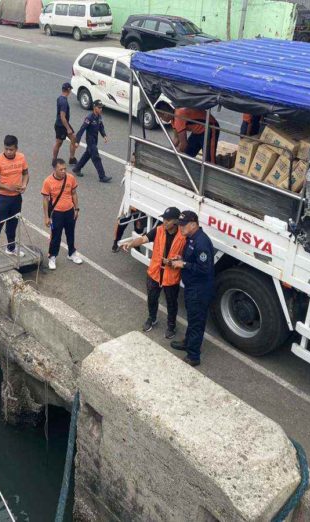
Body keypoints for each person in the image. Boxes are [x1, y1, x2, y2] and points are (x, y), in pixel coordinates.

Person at [122, 207, 185, 339]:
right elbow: (143, 239)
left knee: (171, 303)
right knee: (152, 298)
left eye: (168, 220)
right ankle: (152, 318)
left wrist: (178, 261)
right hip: (155, 272)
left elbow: (187, 257)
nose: (164, 222)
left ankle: (171, 326)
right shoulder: (159, 230)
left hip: (170, 276)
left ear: (176, 222)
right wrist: (131, 244)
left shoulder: (183, 236)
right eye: (164, 219)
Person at [167, 211, 215, 367]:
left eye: (183, 224)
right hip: (192, 287)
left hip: (199, 289)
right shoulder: (191, 238)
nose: (180, 227)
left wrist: (184, 265)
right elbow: (191, 259)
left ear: (193, 224)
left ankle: (193, 356)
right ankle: (188, 343)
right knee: (192, 317)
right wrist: (181, 259)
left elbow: (204, 269)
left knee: (196, 321)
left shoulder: (201, 242)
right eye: (179, 224)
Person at [0, 135, 29, 264]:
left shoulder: (21, 157)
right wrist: (8, 187)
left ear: (16, 148)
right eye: (6, 149)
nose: (8, 152)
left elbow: (25, 174)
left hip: (16, 198)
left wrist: (24, 185)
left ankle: (11, 248)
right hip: (2, 198)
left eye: (11, 149)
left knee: (13, 225)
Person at [42, 159, 83, 270]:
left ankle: (72, 253)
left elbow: (74, 193)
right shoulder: (48, 182)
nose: (64, 171)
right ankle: (52, 256)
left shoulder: (70, 178)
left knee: (70, 233)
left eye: (65, 169)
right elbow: (45, 200)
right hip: (56, 214)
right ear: (55, 169)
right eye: (61, 169)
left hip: (69, 211)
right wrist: (46, 217)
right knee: (56, 236)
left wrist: (76, 208)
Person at [72, 100, 112, 183]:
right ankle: (102, 176)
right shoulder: (89, 118)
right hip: (90, 141)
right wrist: (77, 141)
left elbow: (101, 127)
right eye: (99, 107)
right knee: (96, 157)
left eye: (101, 108)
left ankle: (77, 168)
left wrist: (104, 135)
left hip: (95, 139)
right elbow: (82, 129)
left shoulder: (99, 117)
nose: (101, 109)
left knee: (87, 154)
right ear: (94, 108)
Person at [53, 82, 78, 167]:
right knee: (59, 143)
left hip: (63, 124)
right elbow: (62, 117)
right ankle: (54, 160)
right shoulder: (63, 101)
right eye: (70, 89)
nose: (71, 90)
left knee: (74, 138)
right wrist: (68, 129)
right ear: (68, 90)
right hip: (61, 125)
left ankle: (72, 158)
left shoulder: (60, 98)